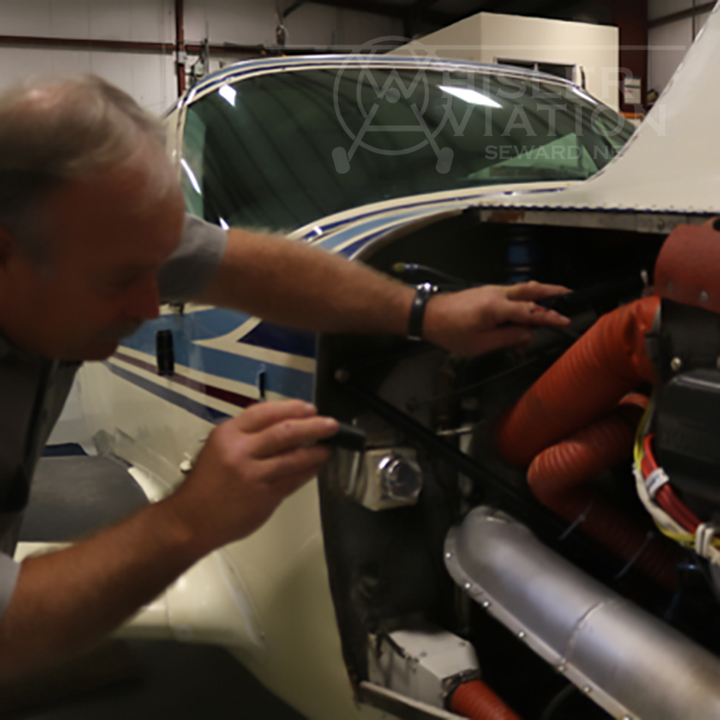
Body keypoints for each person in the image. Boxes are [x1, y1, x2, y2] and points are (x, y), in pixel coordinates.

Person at [0, 76, 570, 678]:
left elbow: (247, 266)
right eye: (119, 281)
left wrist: (424, 313)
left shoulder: (99, 235)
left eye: (159, 269)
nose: (150, 305)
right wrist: (188, 520)